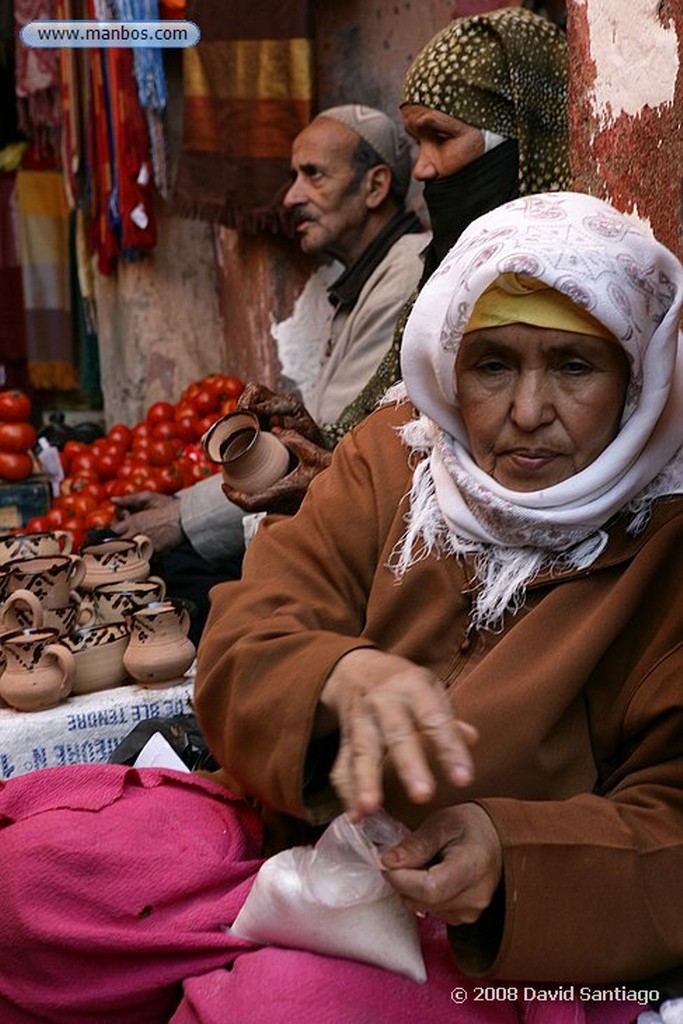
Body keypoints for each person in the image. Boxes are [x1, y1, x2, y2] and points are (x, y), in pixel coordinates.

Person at [1, 192, 681, 1024]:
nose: (528, 411)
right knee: (28, 880)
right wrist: (340, 674)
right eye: (492, 364)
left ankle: (243, 962)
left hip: (493, 929)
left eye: (574, 367)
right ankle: (260, 938)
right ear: (447, 365)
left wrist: (508, 856)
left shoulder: (665, 548)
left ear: (638, 378)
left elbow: (669, 821)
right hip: (288, 835)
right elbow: (252, 631)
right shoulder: (394, 460)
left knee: (288, 1004)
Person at [111, 5, 570, 589]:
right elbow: (390, 430)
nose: (425, 168)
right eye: (415, 141)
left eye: (442, 137)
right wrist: (326, 444)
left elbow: (488, 480)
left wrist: (332, 476)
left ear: (521, 138)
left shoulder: (554, 287)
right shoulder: (439, 277)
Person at [110, 104, 426, 636]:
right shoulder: (365, 280)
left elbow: (322, 450)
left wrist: (182, 517)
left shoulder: (406, 273)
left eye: (313, 175)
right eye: (292, 177)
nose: (290, 197)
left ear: (375, 187)